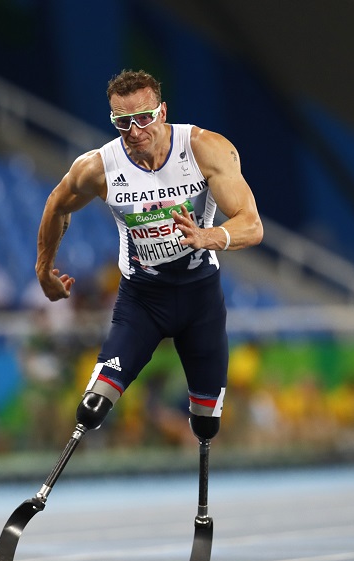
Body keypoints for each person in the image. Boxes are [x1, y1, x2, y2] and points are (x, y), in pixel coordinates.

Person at [34, 69, 262, 466]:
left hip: (199, 298)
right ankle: (46, 491)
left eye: (144, 118)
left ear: (163, 111)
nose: (135, 130)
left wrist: (208, 237)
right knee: (92, 406)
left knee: (206, 423)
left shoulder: (205, 148)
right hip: (143, 299)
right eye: (123, 122)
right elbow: (57, 204)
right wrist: (44, 269)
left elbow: (251, 224)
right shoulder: (99, 166)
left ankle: (205, 506)